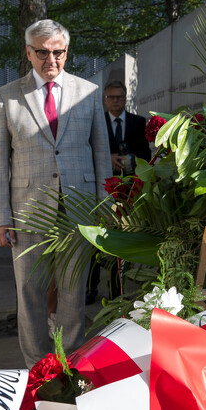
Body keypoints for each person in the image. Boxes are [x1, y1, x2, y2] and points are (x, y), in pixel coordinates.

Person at [0, 19, 111, 367]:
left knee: (74, 293)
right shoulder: (6, 96)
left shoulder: (88, 92)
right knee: (30, 293)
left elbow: (101, 154)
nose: (50, 59)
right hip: (28, 211)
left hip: (79, 209)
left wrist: (106, 207)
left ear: (66, 52)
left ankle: (69, 367)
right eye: (42, 52)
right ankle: (36, 369)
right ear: (28, 52)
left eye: (57, 52)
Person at [86, 80, 152, 304]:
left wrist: (130, 161)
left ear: (125, 99)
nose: (115, 101)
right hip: (101, 191)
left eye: (119, 97)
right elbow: (89, 151)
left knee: (121, 242)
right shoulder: (97, 122)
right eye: (111, 97)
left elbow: (146, 154)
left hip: (127, 192)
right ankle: (90, 288)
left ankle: (117, 290)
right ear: (105, 100)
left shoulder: (138, 122)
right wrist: (108, 159)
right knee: (96, 241)